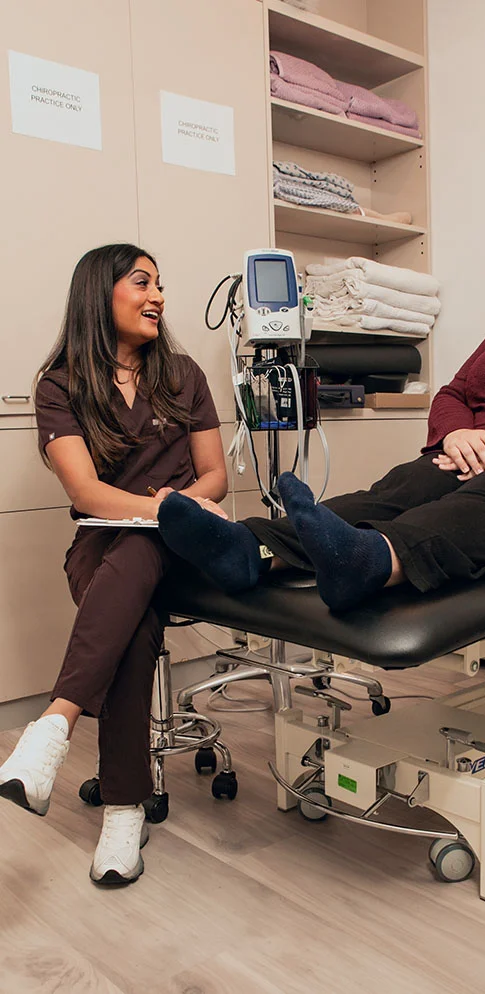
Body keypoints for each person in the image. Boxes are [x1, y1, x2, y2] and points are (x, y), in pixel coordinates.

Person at [157, 192, 485, 614]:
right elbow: (456, 393)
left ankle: (374, 564)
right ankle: (248, 547)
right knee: (403, 487)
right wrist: (456, 436)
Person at [0, 244, 228, 885]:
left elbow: (213, 475)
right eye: (142, 282)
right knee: (135, 615)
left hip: (185, 546)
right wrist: (158, 510)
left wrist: (175, 508)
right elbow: (87, 495)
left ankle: (54, 728)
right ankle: (125, 812)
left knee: (148, 546)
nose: (158, 296)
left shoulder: (183, 374)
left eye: (160, 284)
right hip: (100, 545)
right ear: (100, 294)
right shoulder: (61, 384)